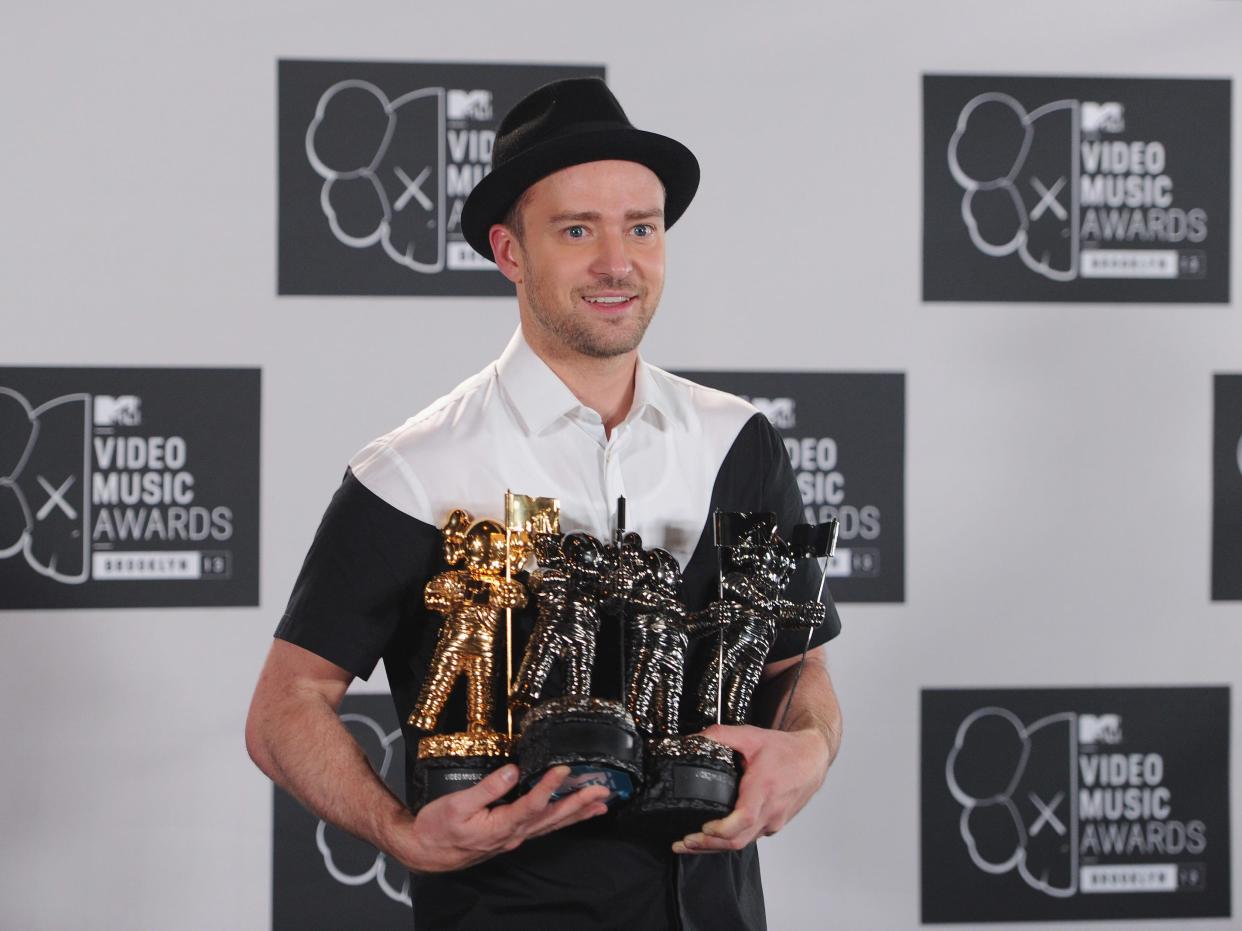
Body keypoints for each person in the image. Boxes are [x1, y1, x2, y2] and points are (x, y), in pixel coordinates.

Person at [246, 77, 843, 930]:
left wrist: (810, 749)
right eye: (577, 230)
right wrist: (402, 831)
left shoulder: (738, 440)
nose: (617, 262)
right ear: (509, 251)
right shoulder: (416, 469)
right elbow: (285, 704)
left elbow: (800, 663)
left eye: (641, 227)